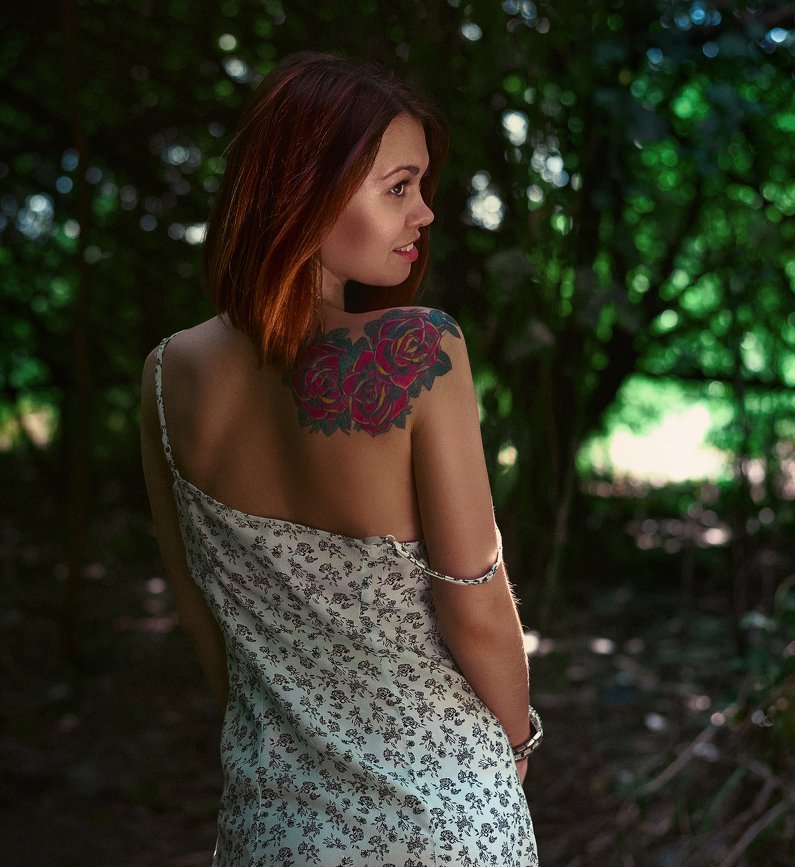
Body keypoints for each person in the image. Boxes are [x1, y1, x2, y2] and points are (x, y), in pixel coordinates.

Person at [139, 51, 540, 866]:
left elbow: (199, 618)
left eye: (420, 187)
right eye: (399, 187)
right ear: (305, 189)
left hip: (272, 825)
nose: (424, 213)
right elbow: (475, 604)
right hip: (445, 816)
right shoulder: (421, 348)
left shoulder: (162, 375)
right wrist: (516, 742)